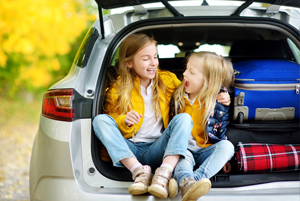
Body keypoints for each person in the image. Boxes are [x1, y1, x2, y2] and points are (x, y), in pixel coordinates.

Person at [92, 33, 193, 199]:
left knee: (184, 119)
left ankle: (164, 173)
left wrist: (220, 94)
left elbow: (192, 93)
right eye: (146, 58)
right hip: (129, 150)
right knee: (100, 120)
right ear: (129, 63)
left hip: (159, 148)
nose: (153, 63)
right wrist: (123, 120)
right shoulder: (118, 89)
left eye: (155, 57)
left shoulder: (168, 80)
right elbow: (110, 119)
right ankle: (139, 172)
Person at [168, 51, 235, 201]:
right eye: (186, 68)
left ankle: (193, 182)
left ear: (209, 81)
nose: (184, 74)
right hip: (185, 150)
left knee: (227, 147)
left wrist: (223, 158)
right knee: (181, 159)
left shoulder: (218, 100)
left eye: (191, 72)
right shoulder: (178, 97)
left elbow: (221, 127)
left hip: (207, 149)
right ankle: (187, 181)